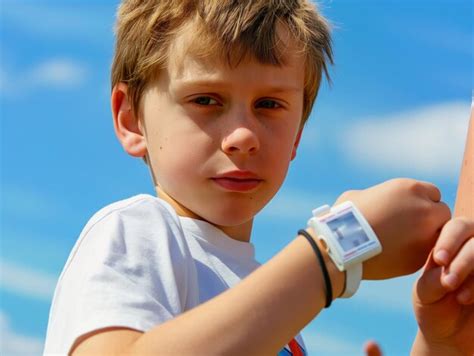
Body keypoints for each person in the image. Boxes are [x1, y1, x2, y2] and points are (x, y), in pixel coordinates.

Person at [42, 1, 471, 355]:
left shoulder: (274, 314)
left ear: (297, 134)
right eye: (206, 99)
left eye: (269, 104)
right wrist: (339, 247)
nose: (244, 135)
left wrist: (441, 340)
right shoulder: (136, 231)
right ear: (131, 119)